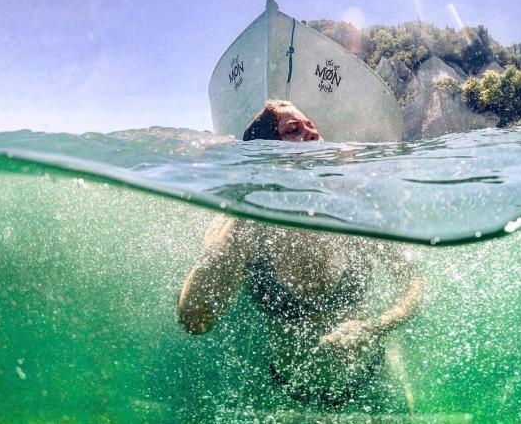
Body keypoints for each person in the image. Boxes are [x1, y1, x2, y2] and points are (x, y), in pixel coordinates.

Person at [177, 100, 424, 408]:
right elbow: (195, 320)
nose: (312, 135)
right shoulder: (238, 223)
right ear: (265, 153)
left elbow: (413, 284)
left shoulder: (354, 208)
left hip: (376, 381)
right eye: (294, 130)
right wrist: (253, 205)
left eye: (313, 127)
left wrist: (372, 328)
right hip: (289, 394)